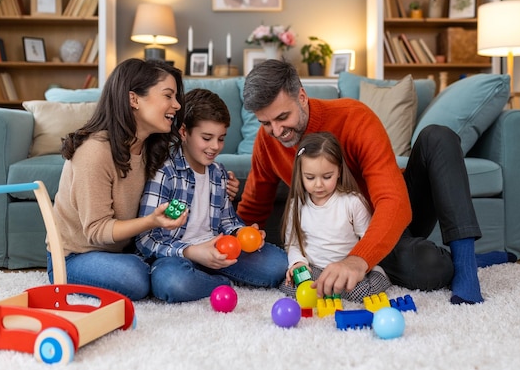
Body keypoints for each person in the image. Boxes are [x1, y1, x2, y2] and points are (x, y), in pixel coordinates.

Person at [237, 59, 515, 305]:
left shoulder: (354, 117)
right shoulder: (267, 142)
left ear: (301, 97)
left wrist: (358, 261)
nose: (276, 131)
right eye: (266, 123)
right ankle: (470, 261)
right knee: (432, 270)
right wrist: (229, 243)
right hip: (340, 237)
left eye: (283, 117)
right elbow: (253, 210)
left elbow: (394, 202)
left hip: (389, 219)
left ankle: (467, 265)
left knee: (438, 137)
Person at [48, 58, 189, 301]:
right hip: (75, 257)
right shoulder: (94, 152)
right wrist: (150, 222)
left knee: (157, 270)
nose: (176, 105)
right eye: (168, 95)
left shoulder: (150, 147)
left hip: (126, 250)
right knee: (133, 278)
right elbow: (97, 231)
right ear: (133, 99)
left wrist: (219, 183)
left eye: (176, 97)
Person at [135, 88, 287, 303]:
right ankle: (221, 282)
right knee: (171, 282)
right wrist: (191, 252)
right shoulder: (165, 172)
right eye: (207, 138)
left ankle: (208, 275)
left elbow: (227, 222)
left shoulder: (218, 173)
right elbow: (145, 239)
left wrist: (242, 231)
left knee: (278, 264)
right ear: (184, 132)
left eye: (221, 138)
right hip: (177, 257)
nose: (215, 147)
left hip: (219, 248)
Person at [279, 132, 392, 302]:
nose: (318, 184)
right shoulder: (297, 205)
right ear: (300, 174)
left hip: (347, 269)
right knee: (289, 286)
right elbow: (293, 243)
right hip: (316, 268)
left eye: (327, 177)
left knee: (361, 293)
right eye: (310, 177)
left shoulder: (352, 202)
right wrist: (298, 263)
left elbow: (368, 240)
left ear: (339, 171)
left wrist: (361, 266)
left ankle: (378, 274)